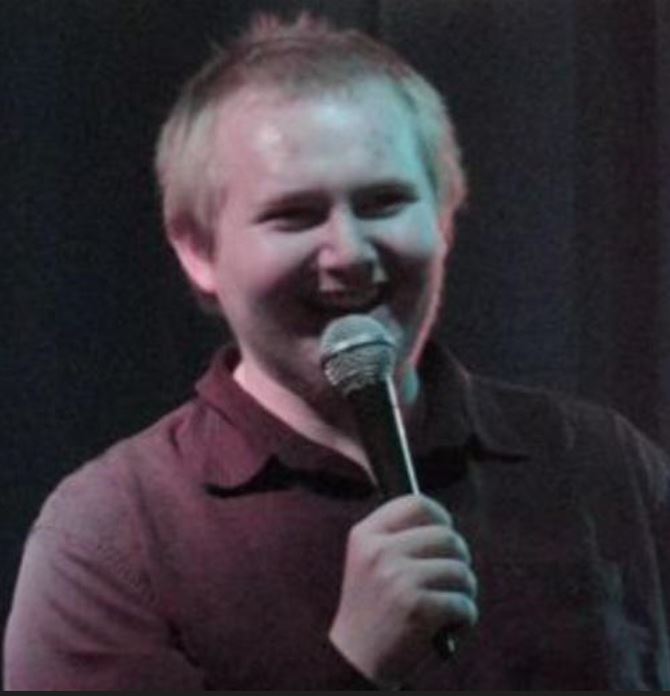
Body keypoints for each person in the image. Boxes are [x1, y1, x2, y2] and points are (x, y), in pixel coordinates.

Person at [4, 11, 670, 691]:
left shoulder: (604, 468)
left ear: (443, 219)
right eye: (294, 215)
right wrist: (354, 665)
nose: (350, 254)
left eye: (383, 203)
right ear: (198, 250)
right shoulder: (114, 537)